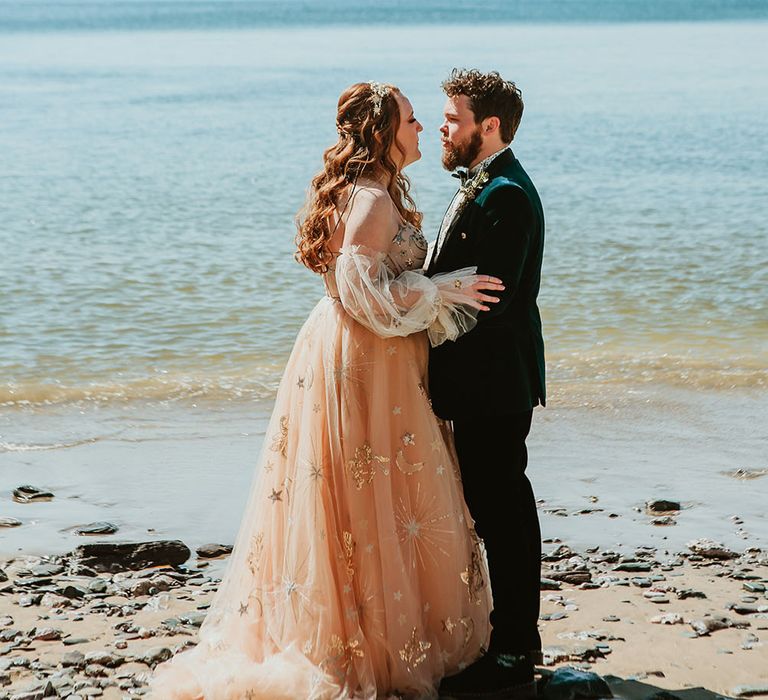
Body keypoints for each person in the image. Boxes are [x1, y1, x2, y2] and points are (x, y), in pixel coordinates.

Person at [148, 81, 505, 700]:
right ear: (383, 134)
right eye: (412, 120)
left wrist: (432, 290)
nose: (422, 129)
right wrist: (442, 291)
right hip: (365, 360)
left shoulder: (373, 193)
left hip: (368, 356)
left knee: (372, 493)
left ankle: (373, 627)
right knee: (369, 492)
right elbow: (363, 295)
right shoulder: (368, 201)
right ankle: (364, 642)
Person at [426, 69, 546, 699]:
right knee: (496, 508)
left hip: (495, 383)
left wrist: (405, 324)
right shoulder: (482, 185)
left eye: (452, 119)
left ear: (488, 125)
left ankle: (514, 650)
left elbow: (484, 302)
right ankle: (512, 641)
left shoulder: (507, 195)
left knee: (503, 513)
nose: (443, 128)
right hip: (483, 383)